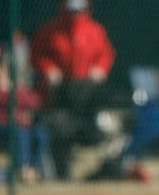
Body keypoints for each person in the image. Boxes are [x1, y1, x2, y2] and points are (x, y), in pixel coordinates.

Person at [31, 0, 115, 180]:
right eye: (72, 10)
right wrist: (48, 69)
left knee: (101, 128)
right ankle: (62, 173)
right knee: (60, 128)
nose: (76, 14)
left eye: (80, 10)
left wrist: (100, 68)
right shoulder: (51, 30)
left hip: (88, 91)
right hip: (60, 92)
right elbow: (37, 55)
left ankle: (98, 171)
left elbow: (106, 54)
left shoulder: (95, 30)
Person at [0, 32, 49, 183]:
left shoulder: (28, 80)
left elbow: (36, 102)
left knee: (40, 133)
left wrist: (25, 115)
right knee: (20, 134)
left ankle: (34, 169)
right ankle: (23, 170)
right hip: (5, 123)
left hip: (23, 123)